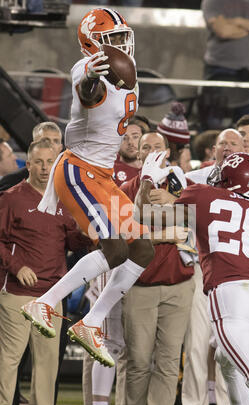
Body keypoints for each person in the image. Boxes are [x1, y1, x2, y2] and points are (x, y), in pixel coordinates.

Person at [20, 7, 154, 367]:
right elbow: (87, 90)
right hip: (77, 170)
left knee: (142, 250)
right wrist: (92, 78)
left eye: (123, 37)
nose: (122, 45)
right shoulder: (86, 68)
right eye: (112, 40)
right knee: (115, 249)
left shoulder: (130, 74)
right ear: (92, 46)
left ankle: (91, 322)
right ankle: (45, 302)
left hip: (103, 176)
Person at [135, 150, 249, 405]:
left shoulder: (203, 196)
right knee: (225, 360)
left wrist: (147, 180)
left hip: (229, 296)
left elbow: (144, 214)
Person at [0, 138, 91, 405]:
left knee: (48, 361)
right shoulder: (10, 198)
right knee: (9, 358)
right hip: (16, 291)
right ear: (27, 164)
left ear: (57, 166)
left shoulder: (64, 202)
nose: (43, 168)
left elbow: (74, 243)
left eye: (49, 162)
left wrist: (90, 235)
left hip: (53, 294)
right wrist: (16, 267)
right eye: (38, 162)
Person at [119, 131, 195, 405]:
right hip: (140, 283)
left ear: (167, 152)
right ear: (137, 154)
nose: (152, 152)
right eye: (146, 147)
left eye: (157, 147)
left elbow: (193, 223)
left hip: (179, 283)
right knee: (137, 356)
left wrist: (174, 202)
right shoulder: (126, 188)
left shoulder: (186, 186)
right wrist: (165, 230)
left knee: (168, 358)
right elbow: (127, 232)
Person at [82, 119, 148, 405]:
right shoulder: (107, 171)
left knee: (118, 344)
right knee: (106, 341)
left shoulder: (150, 177)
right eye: (129, 136)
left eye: (140, 138)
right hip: (113, 262)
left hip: (135, 267)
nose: (134, 143)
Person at [200, 0, 249, 128]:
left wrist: (238, 21)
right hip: (218, 70)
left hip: (246, 73)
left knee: (247, 124)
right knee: (212, 125)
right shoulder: (213, 2)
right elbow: (224, 31)